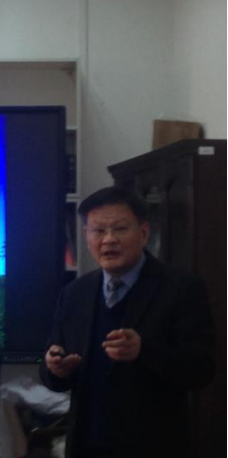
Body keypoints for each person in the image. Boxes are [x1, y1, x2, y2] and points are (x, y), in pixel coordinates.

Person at [40, 186, 216, 458]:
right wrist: (56, 368)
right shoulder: (74, 293)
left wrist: (144, 351)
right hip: (86, 445)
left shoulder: (182, 289)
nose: (108, 240)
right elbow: (53, 371)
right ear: (86, 236)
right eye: (98, 231)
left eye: (120, 229)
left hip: (154, 447)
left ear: (144, 233)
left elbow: (201, 370)